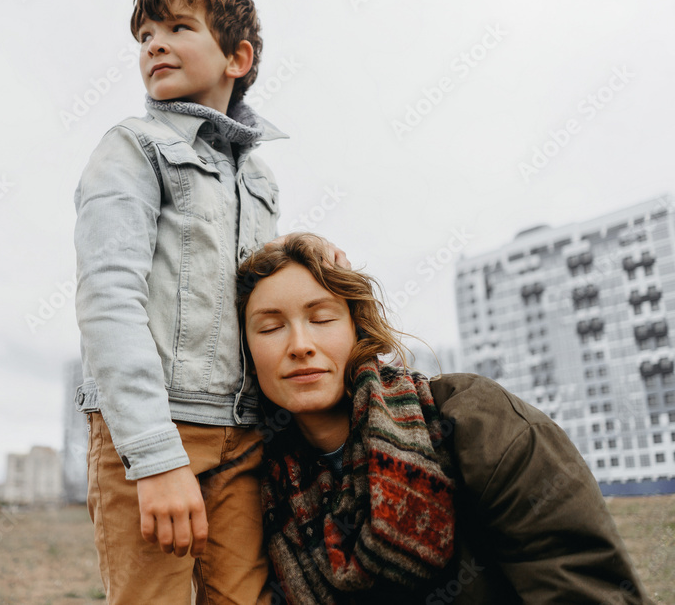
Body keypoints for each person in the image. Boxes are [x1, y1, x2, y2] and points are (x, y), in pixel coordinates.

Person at [74, 0, 344, 603]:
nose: (154, 45)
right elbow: (108, 300)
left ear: (237, 57)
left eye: (177, 27)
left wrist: (308, 259)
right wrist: (154, 455)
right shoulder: (132, 148)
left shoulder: (259, 176)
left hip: (246, 437)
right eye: (144, 35)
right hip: (155, 429)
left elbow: (256, 292)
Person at [236, 232, 649, 604]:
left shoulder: (478, 423)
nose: (300, 345)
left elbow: (584, 587)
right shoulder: (254, 486)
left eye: (322, 318)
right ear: (247, 356)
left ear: (358, 330)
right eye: (270, 328)